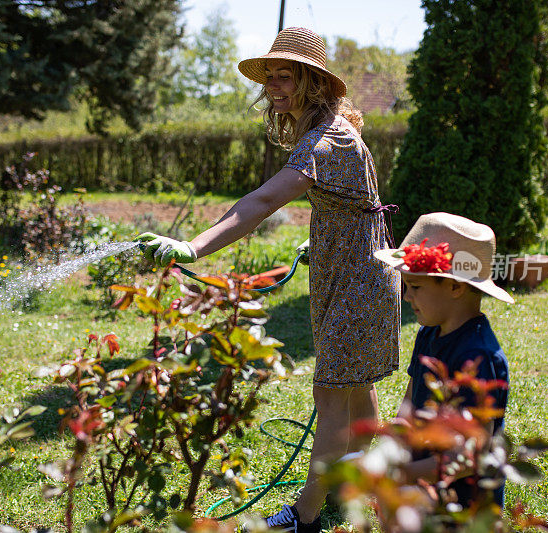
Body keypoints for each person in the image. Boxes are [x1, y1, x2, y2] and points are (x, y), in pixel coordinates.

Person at [138, 27, 400, 532]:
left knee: (332, 395)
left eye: (288, 76)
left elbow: (260, 203)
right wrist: (334, 235)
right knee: (355, 387)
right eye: (272, 77)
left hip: (358, 283)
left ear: (315, 83)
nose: (276, 86)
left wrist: (192, 246)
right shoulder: (330, 132)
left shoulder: (328, 140)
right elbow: (359, 200)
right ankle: (357, 481)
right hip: (352, 270)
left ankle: (306, 515)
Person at [374, 212, 514, 508]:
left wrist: (406, 474)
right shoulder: (428, 334)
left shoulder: (478, 358)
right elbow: (412, 399)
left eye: (416, 286)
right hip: (424, 494)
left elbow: (469, 455)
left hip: (465, 506)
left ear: (455, 286)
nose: (407, 296)